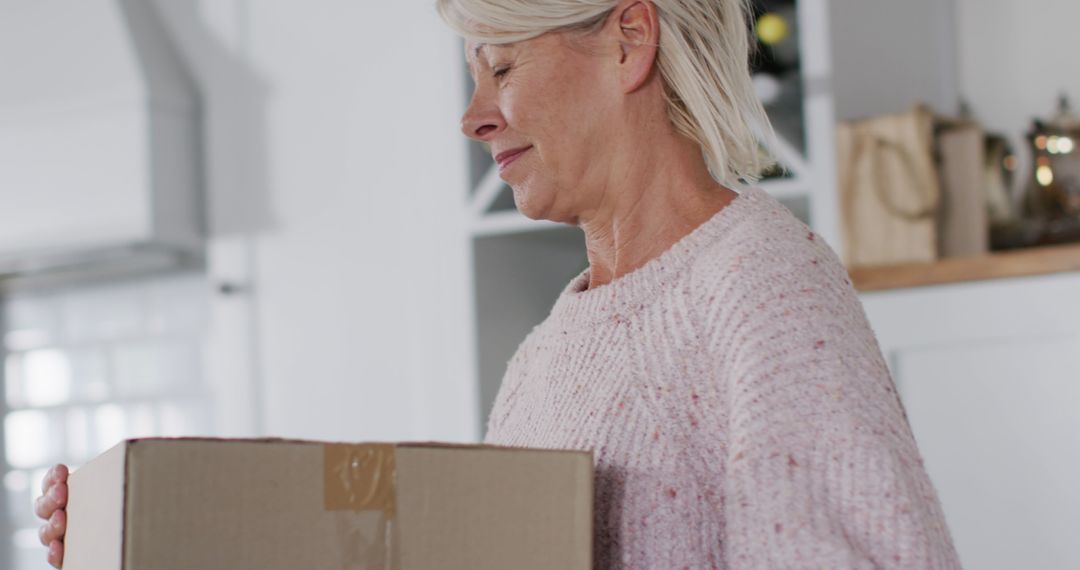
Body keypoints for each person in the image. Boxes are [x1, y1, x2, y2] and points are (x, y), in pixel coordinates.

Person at [39, 0, 962, 567]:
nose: (475, 117)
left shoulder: (759, 284)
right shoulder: (544, 355)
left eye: (503, 66)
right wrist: (130, 542)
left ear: (628, 41)